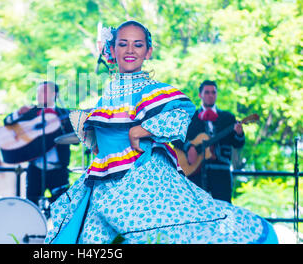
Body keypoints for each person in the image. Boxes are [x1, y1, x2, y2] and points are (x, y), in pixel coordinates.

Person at [44, 20, 277, 244]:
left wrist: (141, 130)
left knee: (159, 233)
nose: (130, 50)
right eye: (123, 44)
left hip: (141, 179)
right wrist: (96, 138)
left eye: (138, 44)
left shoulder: (150, 89)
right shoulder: (108, 94)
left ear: (148, 52)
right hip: (103, 179)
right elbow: (101, 135)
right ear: (112, 50)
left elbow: (183, 107)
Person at [172, 80, 245, 203]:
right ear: (200, 95)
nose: (210, 95)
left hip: (221, 173)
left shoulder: (228, 118)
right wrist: (189, 147)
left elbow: (238, 143)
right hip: (196, 173)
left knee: (223, 209)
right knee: (198, 209)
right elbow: (175, 138)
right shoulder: (190, 118)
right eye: (207, 92)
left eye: (213, 92)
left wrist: (239, 133)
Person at [3, 81, 73, 207]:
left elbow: (74, 137)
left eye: (43, 91)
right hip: (36, 169)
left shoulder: (64, 114)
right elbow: (7, 122)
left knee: (63, 208)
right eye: (38, 92)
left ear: (54, 94)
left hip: (58, 170)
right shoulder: (31, 113)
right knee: (31, 205)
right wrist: (18, 113)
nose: (39, 94)